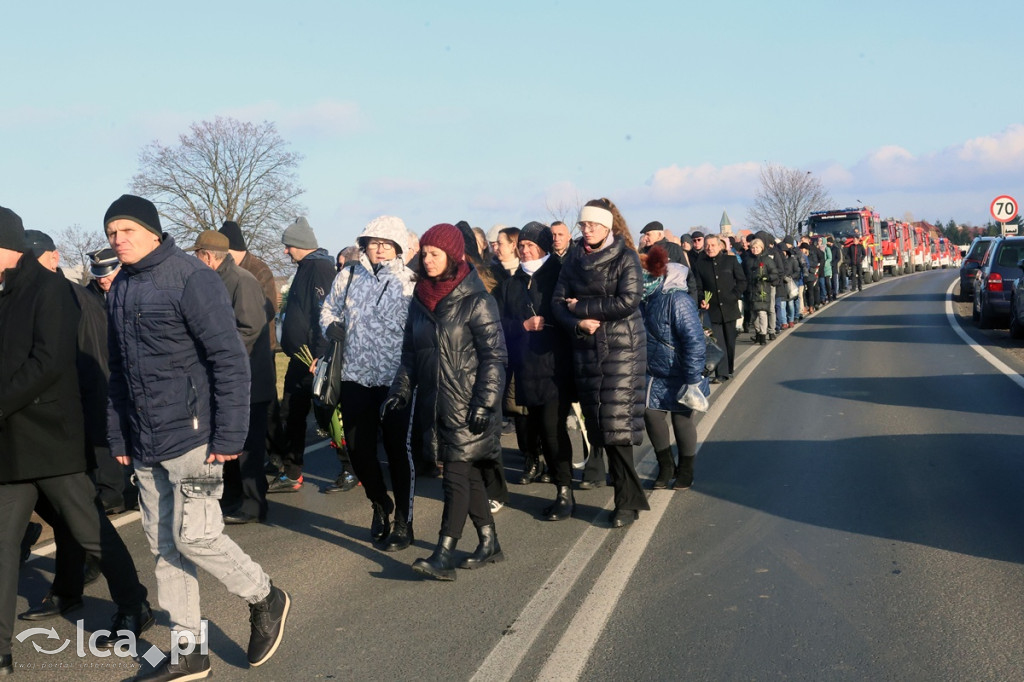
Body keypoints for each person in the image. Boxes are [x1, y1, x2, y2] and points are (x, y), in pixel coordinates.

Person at [103, 195, 289, 678]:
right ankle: (189, 651)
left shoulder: (192, 277)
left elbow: (228, 358)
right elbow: (117, 371)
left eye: (126, 230)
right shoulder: (120, 286)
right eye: (111, 233)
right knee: (164, 545)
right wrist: (119, 436)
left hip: (194, 437)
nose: (118, 240)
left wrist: (230, 432)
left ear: (152, 231)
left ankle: (265, 596)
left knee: (198, 538)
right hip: (145, 441)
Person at [0, 207, 152, 676]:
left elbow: (48, 361)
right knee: (2, 542)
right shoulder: (5, 292)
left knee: (89, 527)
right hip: (10, 440)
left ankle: (133, 602)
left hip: (50, 435)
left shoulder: (50, 289)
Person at [384, 223, 507, 580]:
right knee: (466, 477)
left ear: (453, 257)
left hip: (471, 406)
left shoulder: (477, 300)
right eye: (423, 253)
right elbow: (410, 355)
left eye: (435, 253)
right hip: (436, 404)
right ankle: (489, 542)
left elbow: (495, 358)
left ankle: (443, 553)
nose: (427, 259)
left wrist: (484, 403)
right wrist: (401, 390)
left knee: (454, 477)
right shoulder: (420, 302)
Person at [320, 216, 417, 552]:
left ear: (398, 247)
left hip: (394, 379)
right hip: (354, 375)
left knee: (396, 451)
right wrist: (330, 325)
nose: (379, 248)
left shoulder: (410, 282)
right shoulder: (347, 275)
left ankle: (404, 522)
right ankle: (380, 503)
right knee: (359, 450)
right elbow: (328, 309)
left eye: (386, 243)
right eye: (373, 241)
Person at [552, 200, 650, 528]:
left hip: (623, 349)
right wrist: (577, 322)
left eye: (593, 225)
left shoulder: (626, 257)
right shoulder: (574, 259)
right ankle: (629, 495)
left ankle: (627, 502)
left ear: (607, 227)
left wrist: (581, 307)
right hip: (586, 349)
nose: (587, 230)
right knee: (599, 428)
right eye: (583, 225)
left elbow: (629, 300)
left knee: (616, 429)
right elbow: (557, 303)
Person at [189, 231, 275, 525]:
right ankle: (233, 498)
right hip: (230, 378)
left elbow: (250, 328)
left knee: (249, 445)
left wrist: (217, 349)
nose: (194, 260)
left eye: (197, 254)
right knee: (230, 442)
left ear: (209, 256)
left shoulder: (241, 280)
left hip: (249, 379)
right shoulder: (216, 280)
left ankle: (254, 504)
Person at [494, 222, 575, 521]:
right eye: (522, 246)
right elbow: (498, 323)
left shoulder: (560, 275)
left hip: (556, 366)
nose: (525, 251)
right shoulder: (512, 284)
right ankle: (556, 482)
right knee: (540, 430)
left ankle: (565, 492)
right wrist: (522, 326)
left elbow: (572, 312)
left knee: (554, 432)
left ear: (543, 247)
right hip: (526, 367)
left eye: (531, 246)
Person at [272, 217, 336, 492]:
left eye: (288, 245)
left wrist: (321, 357)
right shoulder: (304, 268)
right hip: (299, 358)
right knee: (292, 412)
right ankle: (292, 472)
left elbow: (324, 314)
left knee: (328, 416)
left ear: (301, 244)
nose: (285, 251)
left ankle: (351, 467)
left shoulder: (320, 268)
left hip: (313, 360)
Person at [639, 246, 705, 490]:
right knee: (651, 415)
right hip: (652, 373)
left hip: (680, 373)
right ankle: (666, 466)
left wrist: (692, 379)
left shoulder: (677, 299)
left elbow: (694, 340)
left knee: (682, 421)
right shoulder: (642, 299)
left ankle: (686, 470)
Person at [693, 234, 746, 382]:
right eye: (707, 246)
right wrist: (702, 299)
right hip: (712, 309)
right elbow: (698, 286)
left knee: (730, 341)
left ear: (719, 246)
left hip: (730, 307)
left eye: (713, 245)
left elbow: (742, 281)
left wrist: (734, 295)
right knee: (717, 341)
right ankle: (721, 373)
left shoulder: (731, 260)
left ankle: (729, 369)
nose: (710, 248)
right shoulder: (700, 264)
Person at [744, 238, 780, 345]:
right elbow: (742, 274)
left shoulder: (767, 260)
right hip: (751, 290)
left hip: (763, 289)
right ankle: (758, 332)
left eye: (757, 248)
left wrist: (766, 277)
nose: (754, 250)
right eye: (753, 248)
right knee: (754, 314)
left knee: (762, 312)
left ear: (762, 248)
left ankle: (764, 335)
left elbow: (775, 274)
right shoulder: (747, 260)